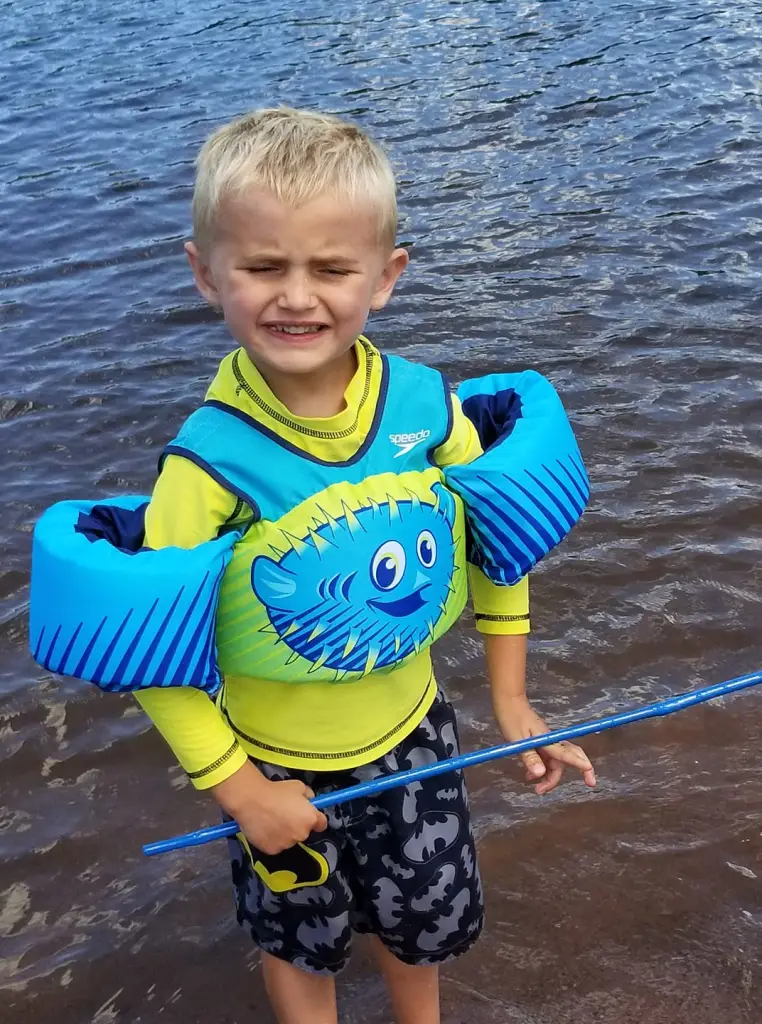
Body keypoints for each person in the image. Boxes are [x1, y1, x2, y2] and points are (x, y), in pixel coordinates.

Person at [132, 107, 597, 1024]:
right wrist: (242, 793)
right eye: (263, 266)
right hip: (273, 762)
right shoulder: (204, 467)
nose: (296, 297)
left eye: (332, 269)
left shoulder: (426, 406)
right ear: (205, 273)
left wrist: (511, 700)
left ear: (385, 277)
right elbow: (153, 653)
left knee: (423, 924)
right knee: (298, 940)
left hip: (416, 736)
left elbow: (498, 539)